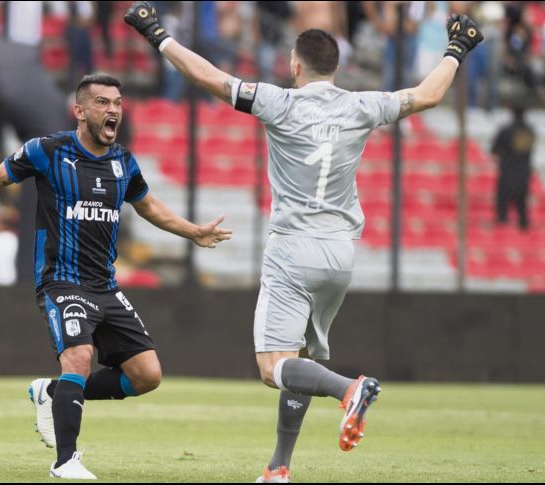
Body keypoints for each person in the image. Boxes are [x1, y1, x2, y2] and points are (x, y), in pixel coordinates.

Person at [124, 2, 482, 482]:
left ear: (295, 66)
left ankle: (347, 390)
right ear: (336, 67)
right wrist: (457, 49)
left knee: (273, 367)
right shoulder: (362, 105)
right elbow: (428, 95)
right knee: (299, 362)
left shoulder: (279, 101)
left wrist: (156, 33)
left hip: (293, 247)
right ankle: (279, 467)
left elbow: (209, 77)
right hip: (340, 253)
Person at [0, 74, 233, 480]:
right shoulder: (47, 151)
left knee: (147, 376)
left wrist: (193, 231)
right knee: (79, 357)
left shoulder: (123, 161)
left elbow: (149, 206)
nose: (114, 111)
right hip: (62, 282)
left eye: (118, 103)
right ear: (80, 111)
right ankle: (65, 461)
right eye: (104, 103)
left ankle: (53, 392)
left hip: (105, 286)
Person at [491, 106, 535, 231]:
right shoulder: (530, 131)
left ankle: (502, 233)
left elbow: (494, 150)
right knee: (522, 209)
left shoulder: (506, 131)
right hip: (523, 174)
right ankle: (523, 233)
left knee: (502, 209)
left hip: (507, 173)